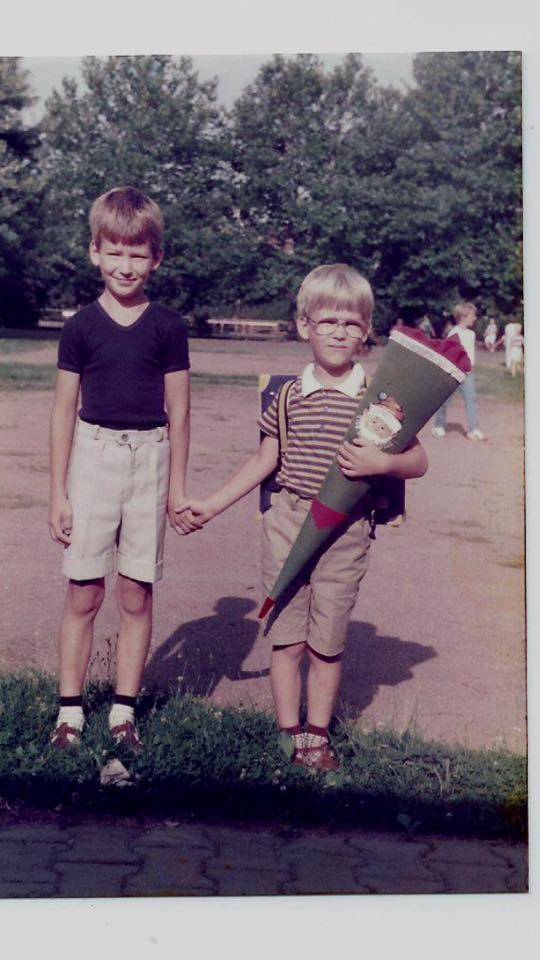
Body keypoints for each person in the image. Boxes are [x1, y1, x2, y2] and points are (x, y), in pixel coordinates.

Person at [175, 264, 428, 772]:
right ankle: (289, 732)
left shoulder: (378, 399)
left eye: (351, 323)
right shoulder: (287, 395)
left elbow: (418, 461)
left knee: (327, 644)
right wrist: (212, 504)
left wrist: (382, 463)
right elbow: (264, 460)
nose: (339, 332)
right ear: (304, 326)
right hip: (287, 521)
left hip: (346, 530)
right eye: (327, 321)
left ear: (367, 330)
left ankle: (318, 735)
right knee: (287, 637)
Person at [48, 186, 195, 750]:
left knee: (136, 592)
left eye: (138, 254)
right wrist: (58, 493)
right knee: (83, 591)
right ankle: (69, 714)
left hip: (150, 459)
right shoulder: (80, 327)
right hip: (93, 458)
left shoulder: (168, 327)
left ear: (157, 259)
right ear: (95, 252)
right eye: (115, 252)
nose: (125, 265)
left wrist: (176, 488)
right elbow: (64, 410)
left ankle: (122, 714)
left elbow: (180, 413)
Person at [432, 301, 486, 441]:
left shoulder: (471, 334)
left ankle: (474, 429)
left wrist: (471, 366)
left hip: (468, 373)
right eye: (473, 315)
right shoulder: (454, 333)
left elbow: (471, 353)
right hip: (454, 373)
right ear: (464, 316)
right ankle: (438, 425)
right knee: (445, 400)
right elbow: (448, 354)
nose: (475, 318)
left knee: (471, 399)